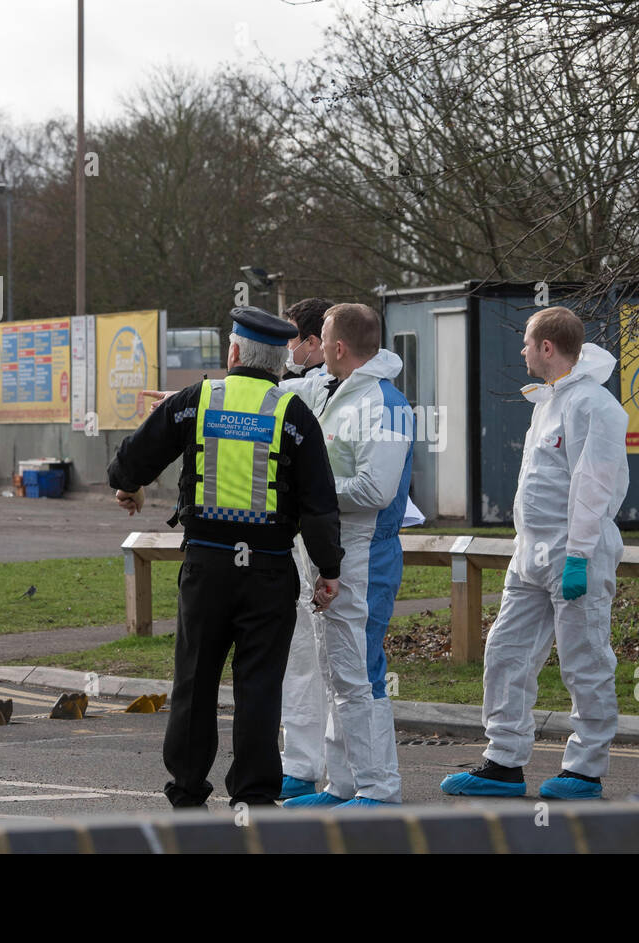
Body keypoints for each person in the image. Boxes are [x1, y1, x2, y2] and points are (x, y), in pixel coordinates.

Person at [107, 306, 343, 808]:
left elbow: (135, 456)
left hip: (206, 568)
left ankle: (188, 789)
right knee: (259, 683)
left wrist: (129, 487)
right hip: (268, 570)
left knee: (195, 677)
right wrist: (329, 570)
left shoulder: (197, 401)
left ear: (233, 353)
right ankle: (255, 795)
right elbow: (319, 504)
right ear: (281, 363)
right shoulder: (293, 415)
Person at [441, 306, 628, 800]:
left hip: (573, 552)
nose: (522, 351)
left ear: (547, 347)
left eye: (527, 343)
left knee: (584, 658)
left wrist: (579, 556)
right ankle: (503, 761)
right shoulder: (548, 403)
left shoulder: (593, 407)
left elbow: (594, 486)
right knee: (506, 652)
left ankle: (585, 769)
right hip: (532, 553)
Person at [282, 302, 413, 808]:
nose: (309, 352)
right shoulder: (334, 388)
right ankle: (342, 785)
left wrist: (308, 490)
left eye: (320, 341)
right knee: (337, 669)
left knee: (358, 672)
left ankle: (379, 790)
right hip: (334, 552)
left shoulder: (387, 403)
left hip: (365, 554)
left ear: (336, 348)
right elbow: (279, 391)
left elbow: (376, 489)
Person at [276, 298, 337, 800]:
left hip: (332, 544)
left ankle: (340, 773)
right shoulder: (305, 387)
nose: (287, 349)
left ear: (314, 343)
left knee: (333, 662)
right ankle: (300, 764)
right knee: (300, 657)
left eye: (292, 338)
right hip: (302, 542)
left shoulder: (327, 389)